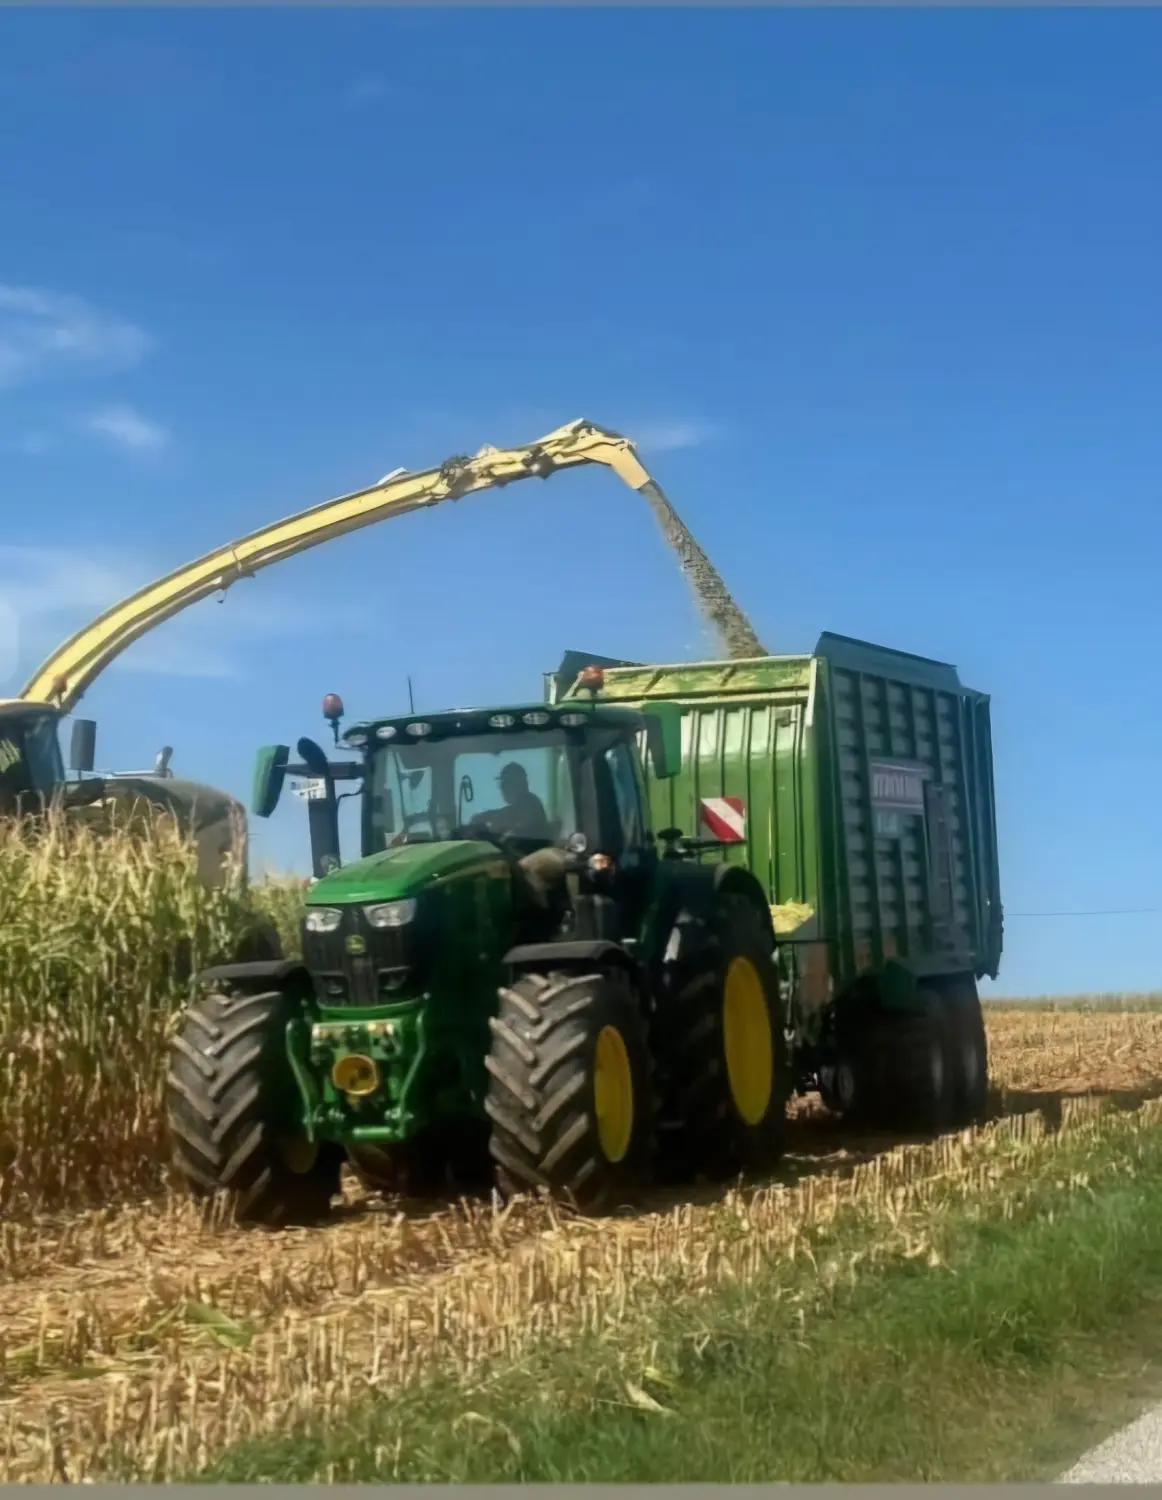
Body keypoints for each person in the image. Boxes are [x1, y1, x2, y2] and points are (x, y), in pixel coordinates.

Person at [470, 761, 551, 842]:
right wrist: (482, 818)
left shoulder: (531, 805)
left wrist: (488, 822)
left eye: (506, 782)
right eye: (502, 783)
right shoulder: (520, 806)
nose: (502, 788)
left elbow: (511, 819)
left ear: (522, 784)